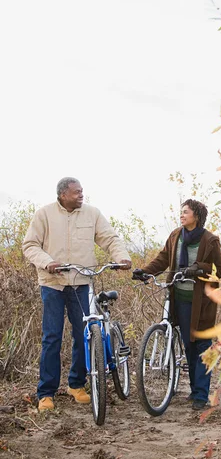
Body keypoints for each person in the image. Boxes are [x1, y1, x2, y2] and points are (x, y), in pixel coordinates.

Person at [23, 177, 132, 413]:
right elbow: (30, 245)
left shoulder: (92, 214)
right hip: (52, 284)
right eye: (76, 192)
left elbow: (109, 238)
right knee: (51, 337)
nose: (81, 195)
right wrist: (48, 262)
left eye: (82, 191)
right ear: (63, 194)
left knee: (84, 334)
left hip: (81, 283)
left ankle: (76, 384)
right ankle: (46, 393)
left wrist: (121, 257)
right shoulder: (44, 214)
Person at [132, 199, 221, 411]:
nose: (181, 215)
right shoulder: (176, 236)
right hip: (179, 299)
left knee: (201, 346)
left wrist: (198, 268)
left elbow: (219, 270)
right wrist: (145, 272)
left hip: (202, 303)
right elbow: (163, 259)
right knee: (188, 345)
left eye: (186, 212)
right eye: (181, 212)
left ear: (197, 216)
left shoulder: (210, 240)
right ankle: (195, 391)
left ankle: (201, 395)